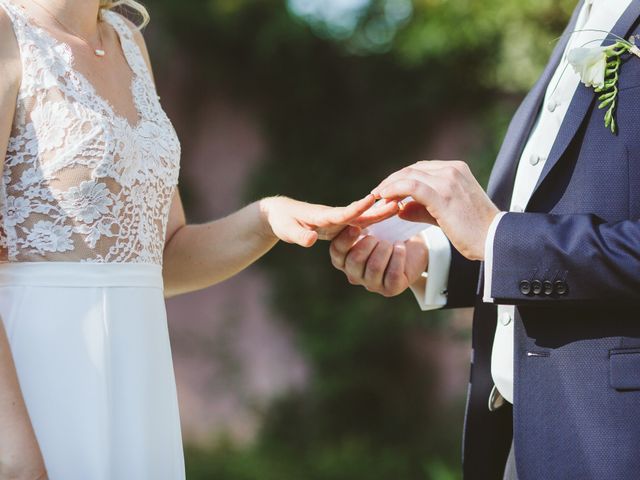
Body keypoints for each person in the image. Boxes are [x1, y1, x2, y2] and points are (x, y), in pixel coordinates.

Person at [0, 1, 399, 478]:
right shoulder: (7, 33)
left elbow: (163, 257)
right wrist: (16, 456)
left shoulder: (129, 43)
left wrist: (265, 218)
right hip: (34, 386)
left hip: (137, 385)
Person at [330, 0, 640, 479]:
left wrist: (498, 236)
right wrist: (431, 258)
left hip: (613, 445)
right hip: (523, 437)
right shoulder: (587, 13)